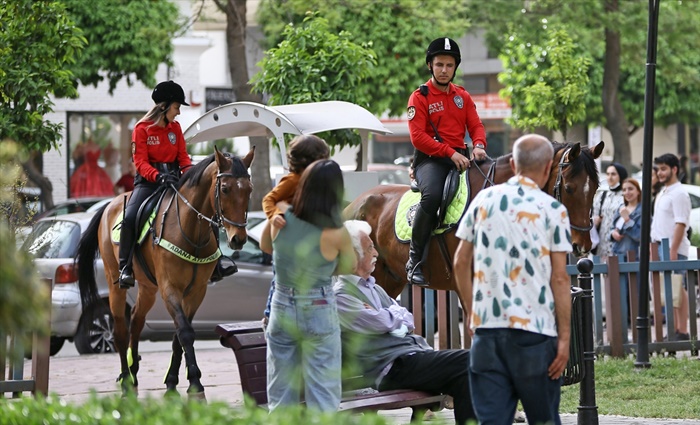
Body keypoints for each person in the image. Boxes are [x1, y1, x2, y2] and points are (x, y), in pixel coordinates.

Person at [453, 134, 571, 425]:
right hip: (535, 333)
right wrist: (565, 338)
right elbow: (559, 278)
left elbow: (460, 262)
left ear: (515, 163)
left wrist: (471, 312)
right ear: (548, 168)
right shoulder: (553, 210)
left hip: (487, 333)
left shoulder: (483, 200)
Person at [334, 220, 476, 425]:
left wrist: (388, 316)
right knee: (470, 360)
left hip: (412, 358)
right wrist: (391, 317)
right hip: (392, 368)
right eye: (370, 248)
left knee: (467, 375)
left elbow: (407, 320)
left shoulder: (374, 288)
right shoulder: (341, 297)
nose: (376, 254)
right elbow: (382, 323)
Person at [265, 159, 356, 413]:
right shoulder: (337, 233)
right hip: (319, 306)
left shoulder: (281, 214)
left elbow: (265, 246)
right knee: (323, 394)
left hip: (282, 304)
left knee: (280, 393)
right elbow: (349, 266)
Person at [405, 37, 487, 287]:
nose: (444, 70)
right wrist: (449, 153)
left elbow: (475, 125)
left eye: (449, 65)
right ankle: (415, 259)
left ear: (455, 67)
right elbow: (418, 137)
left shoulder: (462, 95)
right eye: (439, 64)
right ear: (430, 65)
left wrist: (479, 145)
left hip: (461, 157)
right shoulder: (419, 97)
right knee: (431, 197)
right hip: (431, 161)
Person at [118, 81, 197, 288]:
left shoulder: (176, 129)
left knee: (200, 207)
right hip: (148, 184)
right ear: (164, 107)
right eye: (177, 107)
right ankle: (125, 267)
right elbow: (140, 163)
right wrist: (157, 176)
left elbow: (183, 159)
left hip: (174, 180)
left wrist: (191, 177)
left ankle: (216, 262)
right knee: (130, 218)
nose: (179, 112)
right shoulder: (141, 129)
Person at [260, 135, 330, 326]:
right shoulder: (292, 180)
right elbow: (268, 199)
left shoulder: (318, 183)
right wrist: (274, 215)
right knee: (279, 278)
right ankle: (269, 313)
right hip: (287, 232)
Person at [650, 153, 692, 341]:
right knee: (669, 289)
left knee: (677, 288)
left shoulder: (679, 193)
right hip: (660, 246)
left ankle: (682, 331)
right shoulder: (663, 192)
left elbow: (681, 223)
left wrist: (673, 249)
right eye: (658, 169)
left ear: (674, 169)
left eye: (664, 168)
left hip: (673, 247)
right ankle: (674, 330)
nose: (660, 172)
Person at [592, 163, 628, 259]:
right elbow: (593, 216)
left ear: (621, 175)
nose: (610, 177)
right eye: (608, 174)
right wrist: (595, 220)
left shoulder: (627, 195)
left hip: (618, 245)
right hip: (602, 246)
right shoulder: (602, 195)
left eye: (613, 174)